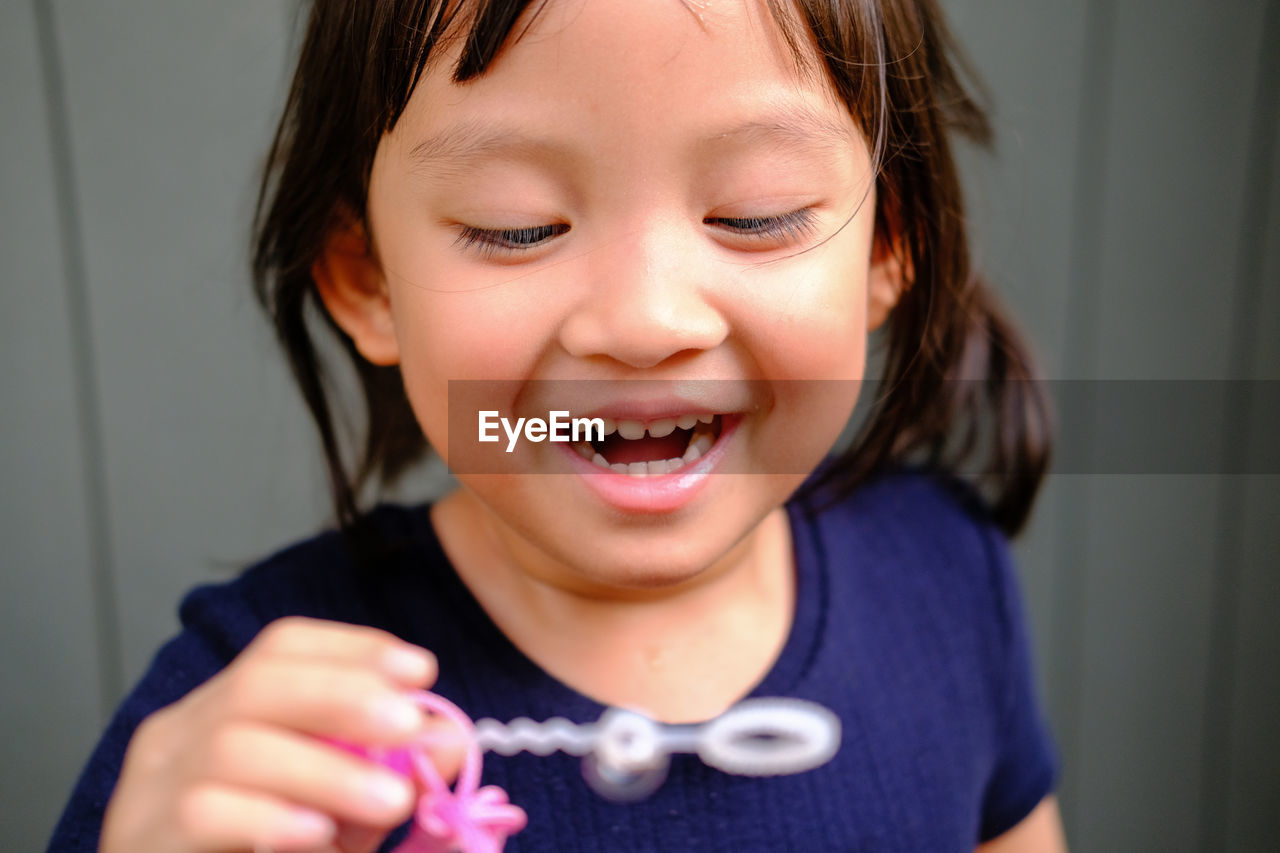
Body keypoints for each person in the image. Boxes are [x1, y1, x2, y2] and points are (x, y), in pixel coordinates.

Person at [49, 0, 1067, 850]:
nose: (642, 322)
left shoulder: (944, 577)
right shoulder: (257, 724)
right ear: (370, 281)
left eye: (754, 213)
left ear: (887, 244)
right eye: (516, 226)